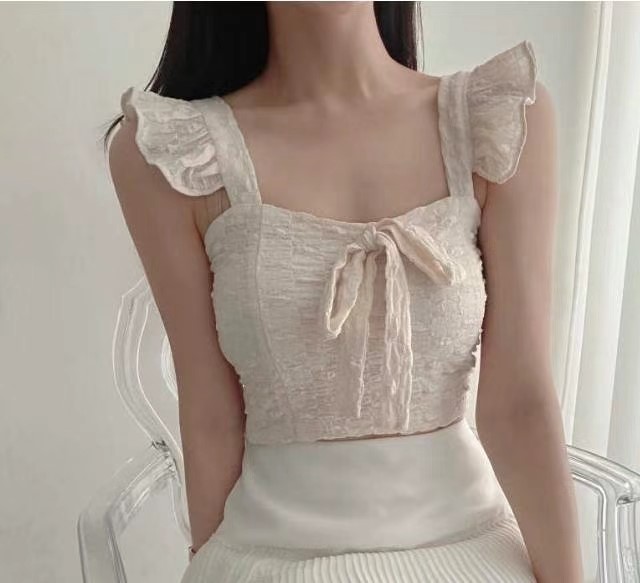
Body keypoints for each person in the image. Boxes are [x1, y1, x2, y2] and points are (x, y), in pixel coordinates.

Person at [105, 2, 582, 582]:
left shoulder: (497, 118)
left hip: (470, 549)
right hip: (270, 559)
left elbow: (520, 402)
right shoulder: (168, 155)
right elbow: (210, 411)